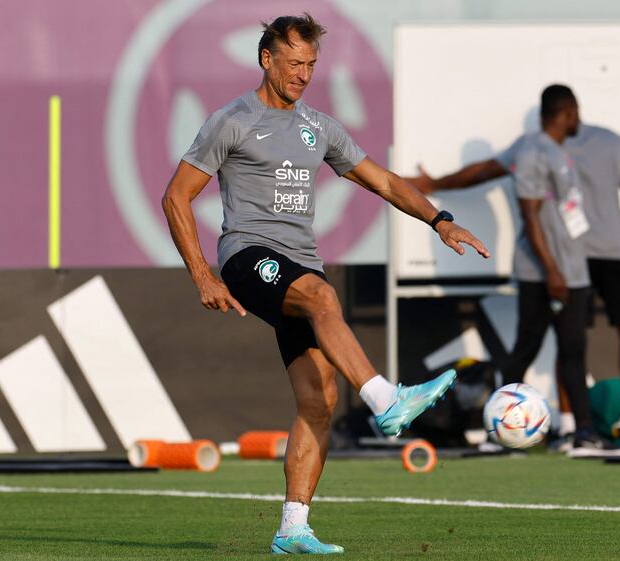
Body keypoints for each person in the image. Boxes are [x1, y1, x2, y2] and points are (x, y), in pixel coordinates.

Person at [161, 14, 489, 555]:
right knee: (322, 296)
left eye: (311, 64)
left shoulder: (320, 127)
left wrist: (440, 220)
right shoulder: (231, 121)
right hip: (248, 258)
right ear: (266, 58)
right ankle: (387, 399)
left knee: (320, 398)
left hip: (298, 264)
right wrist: (202, 273)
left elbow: (381, 180)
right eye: (294, 63)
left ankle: (292, 528)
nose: (303, 74)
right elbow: (177, 196)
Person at [407, 87, 620, 448]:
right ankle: (500, 430)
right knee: (527, 348)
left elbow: (557, 208)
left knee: (572, 348)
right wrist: (552, 270)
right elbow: (530, 214)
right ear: (567, 113)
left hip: (571, 268)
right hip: (544, 270)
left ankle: (581, 432)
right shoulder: (532, 150)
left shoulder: (557, 150)